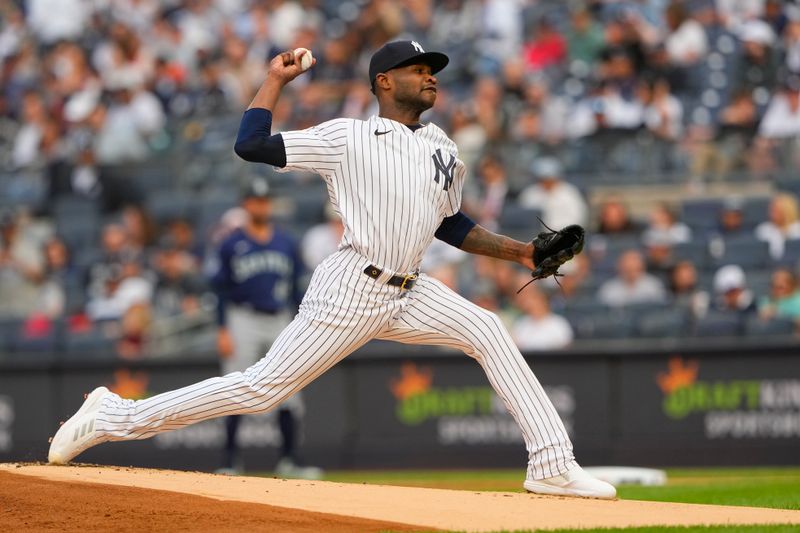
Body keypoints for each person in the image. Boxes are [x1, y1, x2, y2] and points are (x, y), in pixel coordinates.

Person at [48, 41, 615, 499]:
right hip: (352, 286)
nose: (431, 77)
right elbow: (251, 145)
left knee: (490, 330)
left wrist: (520, 252)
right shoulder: (347, 136)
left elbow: (449, 224)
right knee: (261, 389)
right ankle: (112, 416)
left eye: (433, 69)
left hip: (411, 289)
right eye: (417, 69)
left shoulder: (444, 146)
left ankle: (551, 465)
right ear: (384, 83)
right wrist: (276, 80)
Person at [211, 178, 319, 479]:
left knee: (289, 388)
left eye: (265, 200)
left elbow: (299, 290)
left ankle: (290, 461)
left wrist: (302, 325)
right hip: (242, 318)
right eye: (256, 200)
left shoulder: (286, 242)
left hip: (279, 318)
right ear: (246, 204)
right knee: (234, 386)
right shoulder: (231, 243)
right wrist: (222, 329)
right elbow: (219, 290)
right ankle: (230, 461)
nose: (261, 205)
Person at [597, 249, 667, 307]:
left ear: (642, 268)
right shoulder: (609, 289)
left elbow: (660, 309)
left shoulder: (653, 285)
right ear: (620, 268)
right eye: (627, 269)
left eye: (634, 269)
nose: (631, 273)